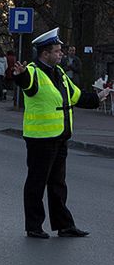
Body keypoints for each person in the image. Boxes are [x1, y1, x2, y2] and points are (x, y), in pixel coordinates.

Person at [13, 27, 111, 239]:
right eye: (57, 51)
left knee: (58, 184)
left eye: (60, 51)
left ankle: (64, 225)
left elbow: (76, 97)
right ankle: (34, 226)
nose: (61, 54)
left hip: (60, 137)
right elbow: (26, 84)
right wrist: (19, 76)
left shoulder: (60, 74)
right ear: (45, 53)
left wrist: (98, 97)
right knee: (36, 183)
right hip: (40, 139)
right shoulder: (33, 72)